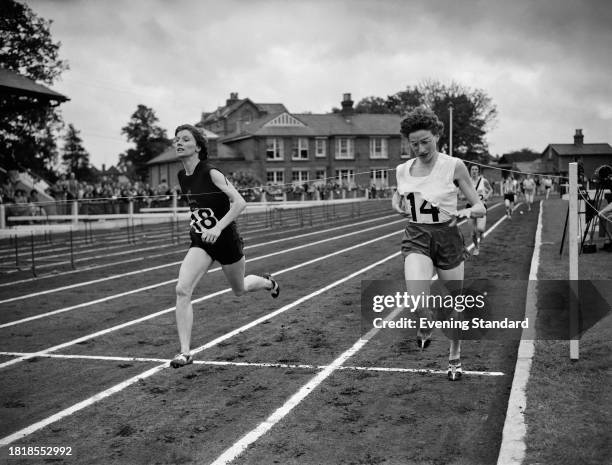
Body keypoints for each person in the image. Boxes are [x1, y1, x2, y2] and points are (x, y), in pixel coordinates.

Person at [170, 124, 280, 368]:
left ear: (197, 146)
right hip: (201, 241)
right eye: (176, 139)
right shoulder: (181, 176)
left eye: (185, 139)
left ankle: (269, 282)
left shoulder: (211, 172)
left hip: (226, 240)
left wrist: (217, 227)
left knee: (239, 289)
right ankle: (185, 352)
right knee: (182, 289)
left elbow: (240, 203)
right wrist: (202, 227)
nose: (178, 142)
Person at [392, 108, 486, 381]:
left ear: (437, 136)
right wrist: (396, 201)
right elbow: (401, 196)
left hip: (448, 237)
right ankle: (425, 320)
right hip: (417, 236)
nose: (420, 149)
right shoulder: (401, 170)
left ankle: (455, 356)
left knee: (457, 302)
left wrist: (468, 212)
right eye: (414, 143)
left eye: (425, 142)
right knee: (418, 295)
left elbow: (480, 205)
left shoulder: (454, 165)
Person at [465, 164, 493, 256]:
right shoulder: (466, 181)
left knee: (480, 229)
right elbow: (462, 193)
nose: (474, 171)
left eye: (476, 169)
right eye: (472, 169)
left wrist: (486, 197)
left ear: (478, 171)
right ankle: (476, 247)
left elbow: (490, 190)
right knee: (472, 233)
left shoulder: (483, 181)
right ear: (470, 171)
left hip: (481, 207)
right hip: (470, 207)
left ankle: (481, 233)